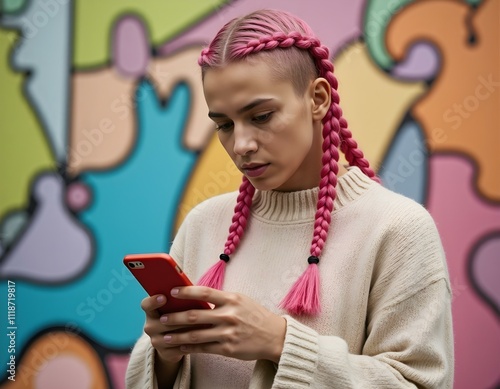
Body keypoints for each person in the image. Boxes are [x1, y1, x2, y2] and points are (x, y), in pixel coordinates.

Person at [126, 9, 454, 389]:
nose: (241, 145)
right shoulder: (203, 223)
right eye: (224, 125)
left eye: (261, 116)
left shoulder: (398, 229)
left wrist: (280, 342)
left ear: (317, 98)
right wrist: (164, 356)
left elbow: (418, 384)